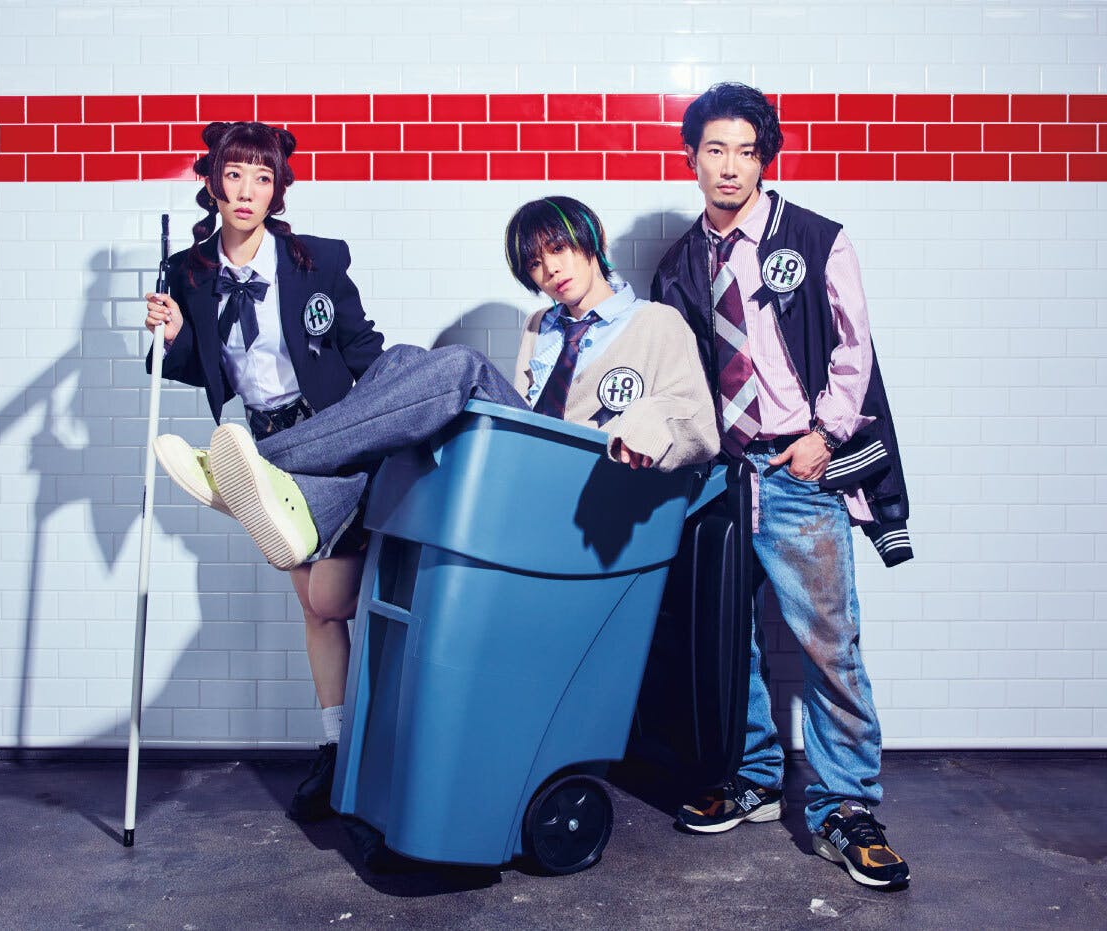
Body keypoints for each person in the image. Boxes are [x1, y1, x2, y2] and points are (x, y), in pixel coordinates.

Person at [154, 197, 720, 861]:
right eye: (535, 263)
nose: (550, 271)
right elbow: (526, 417)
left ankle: (267, 466)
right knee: (401, 366)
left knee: (460, 368)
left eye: (559, 250)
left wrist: (645, 429)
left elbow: (696, 421)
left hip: (589, 482)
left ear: (589, 242)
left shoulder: (654, 324)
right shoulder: (541, 325)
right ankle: (302, 503)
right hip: (536, 479)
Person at [651, 82, 913, 890]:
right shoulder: (678, 265)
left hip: (799, 470)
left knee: (829, 644)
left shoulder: (817, 237)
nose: (730, 166)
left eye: (745, 150)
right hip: (721, 477)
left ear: (765, 158)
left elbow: (853, 351)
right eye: (715, 150)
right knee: (731, 641)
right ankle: (757, 776)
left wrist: (823, 439)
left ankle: (845, 806)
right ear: (691, 157)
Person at [143, 120, 384, 822]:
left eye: (262, 176)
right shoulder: (188, 271)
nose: (247, 190)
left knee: (331, 599)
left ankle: (227, 487)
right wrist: (171, 336)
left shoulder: (317, 260)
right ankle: (336, 747)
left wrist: (393, 423)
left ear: (278, 189)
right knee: (313, 609)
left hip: (333, 432)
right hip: (267, 442)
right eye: (234, 174)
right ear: (213, 183)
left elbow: (361, 346)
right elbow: (195, 366)